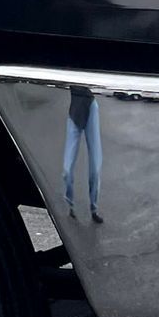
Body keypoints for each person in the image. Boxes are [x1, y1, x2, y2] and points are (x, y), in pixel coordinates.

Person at [62, 85, 103, 223]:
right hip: (74, 111)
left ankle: (94, 209)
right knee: (67, 170)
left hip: (90, 106)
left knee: (95, 169)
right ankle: (70, 206)